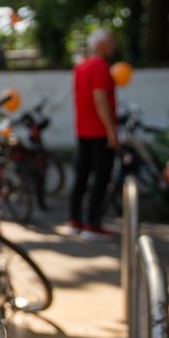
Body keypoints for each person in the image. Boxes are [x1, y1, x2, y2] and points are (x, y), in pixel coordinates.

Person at [69, 28, 118, 240]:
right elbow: (100, 98)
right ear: (101, 45)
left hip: (83, 130)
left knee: (81, 176)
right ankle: (92, 224)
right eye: (111, 41)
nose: (114, 46)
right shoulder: (99, 65)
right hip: (98, 132)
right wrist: (111, 131)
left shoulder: (81, 66)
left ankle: (75, 221)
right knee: (101, 178)